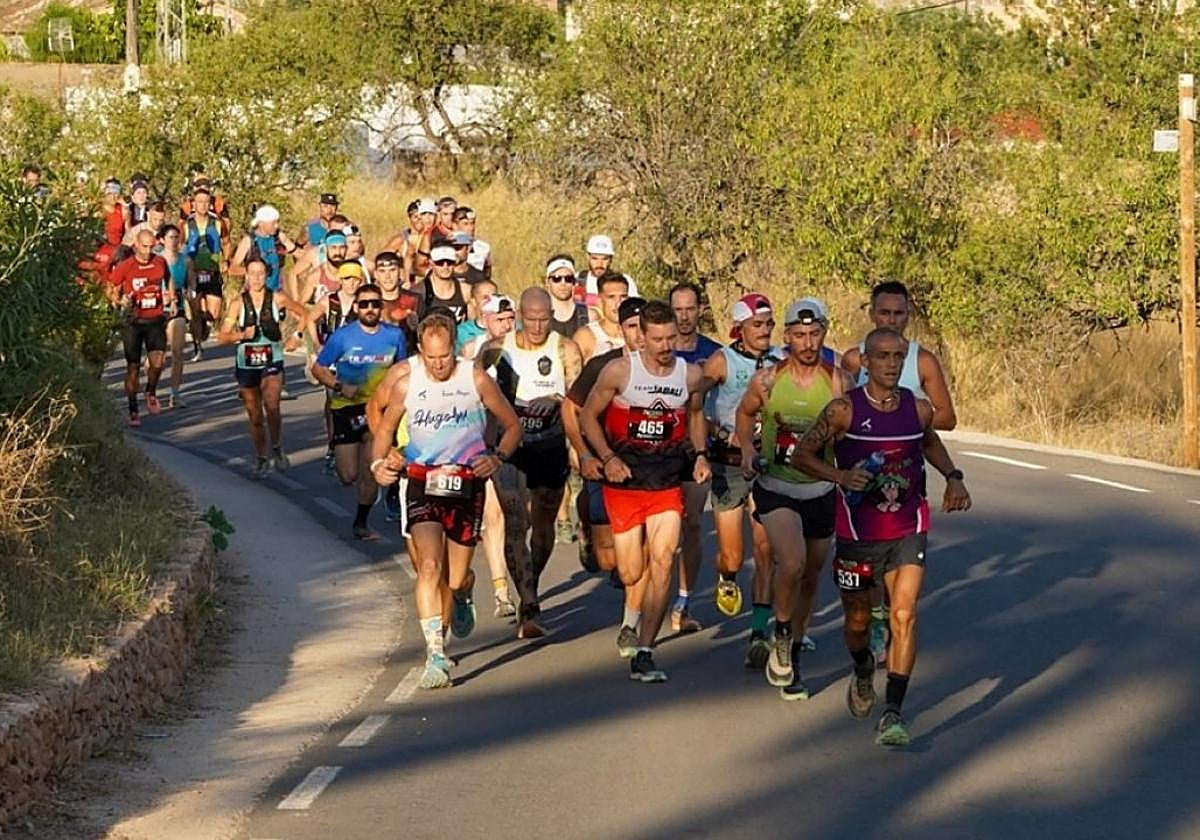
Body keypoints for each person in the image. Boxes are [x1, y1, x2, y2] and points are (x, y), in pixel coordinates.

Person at [791, 326, 972, 746]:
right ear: (866, 362)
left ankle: (893, 712)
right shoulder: (842, 411)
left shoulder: (919, 409)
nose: (891, 364)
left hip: (909, 525)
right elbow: (802, 454)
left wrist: (954, 477)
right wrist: (838, 475)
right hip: (858, 532)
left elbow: (928, 442)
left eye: (899, 357)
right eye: (883, 357)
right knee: (857, 622)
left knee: (904, 615)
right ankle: (860, 668)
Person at [370, 312, 523, 689]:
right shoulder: (408, 383)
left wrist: (497, 456)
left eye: (445, 358)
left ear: (454, 349)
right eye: (432, 358)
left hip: (465, 484)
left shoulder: (475, 378)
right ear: (421, 350)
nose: (439, 366)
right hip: (423, 481)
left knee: (453, 579)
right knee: (429, 566)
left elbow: (512, 425)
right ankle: (435, 654)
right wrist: (380, 463)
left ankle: (466, 588)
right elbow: (384, 428)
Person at [579, 300, 711, 683]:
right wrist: (606, 457)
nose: (666, 345)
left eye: (671, 337)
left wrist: (700, 455)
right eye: (657, 339)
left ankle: (646, 650)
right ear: (642, 339)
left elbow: (697, 415)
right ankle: (631, 612)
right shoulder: (620, 371)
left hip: (666, 482)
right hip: (624, 483)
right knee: (631, 570)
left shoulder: (690, 375)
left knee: (665, 559)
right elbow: (588, 416)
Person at [737, 298, 849, 700]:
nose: (807, 342)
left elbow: (850, 429)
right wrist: (748, 453)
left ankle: (793, 655)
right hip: (777, 487)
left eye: (814, 333)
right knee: (793, 561)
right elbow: (745, 414)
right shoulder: (767, 381)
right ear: (786, 337)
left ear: (824, 332)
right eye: (799, 335)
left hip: (819, 490)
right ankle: (781, 633)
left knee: (811, 575)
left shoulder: (838, 382)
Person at [840, 280, 958, 663]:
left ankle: (889, 625)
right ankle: (874, 620)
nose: (892, 318)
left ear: (909, 316)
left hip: (905, 477)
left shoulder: (921, 360)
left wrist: (906, 414)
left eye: (899, 313)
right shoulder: (853, 360)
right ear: (872, 314)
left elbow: (948, 418)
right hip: (858, 481)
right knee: (866, 572)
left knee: (899, 585)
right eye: (885, 312)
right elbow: (836, 413)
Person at [478, 288, 582, 639]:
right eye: (531, 318)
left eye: (544, 318)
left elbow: (578, 398)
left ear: (552, 314)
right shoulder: (496, 349)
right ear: (520, 314)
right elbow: (476, 391)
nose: (538, 326)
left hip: (549, 445)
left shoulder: (565, 349)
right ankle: (530, 603)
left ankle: (531, 582)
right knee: (515, 521)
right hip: (511, 447)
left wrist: (554, 399)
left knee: (543, 527)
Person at [562, 297, 648, 645]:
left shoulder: (666, 366)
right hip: (602, 459)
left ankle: (635, 612)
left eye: (645, 328)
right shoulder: (603, 366)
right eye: (632, 328)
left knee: (646, 548)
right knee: (607, 558)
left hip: (648, 468)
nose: (640, 336)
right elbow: (571, 409)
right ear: (621, 330)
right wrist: (583, 452)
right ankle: (588, 526)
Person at [702, 293, 782, 667]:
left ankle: (758, 631)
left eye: (768, 323)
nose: (765, 330)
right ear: (740, 328)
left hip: (768, 463)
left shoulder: (780, 361)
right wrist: (714, 435)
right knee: (733, 553)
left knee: (766, 550)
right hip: (729, 463)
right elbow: (696, 406)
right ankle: (727, 576)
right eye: (757, 324)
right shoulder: (722, 361)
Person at [312, 283, 408, 539]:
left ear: (381, 307)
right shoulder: (343, 336)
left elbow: (403, 370)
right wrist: (340, 386)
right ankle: (339, 453)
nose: (370, 308)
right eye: (364, 304)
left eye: (375, 303)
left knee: (369, 469)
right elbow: (318, 369)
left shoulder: (394, 336)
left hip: (377, 409)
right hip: (346, 407)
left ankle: (361, 523)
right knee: (347, 475)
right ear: (356, 307)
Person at [218, 259, 309, 479]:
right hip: (247, 363)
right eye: (253, 274)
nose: (257, 278)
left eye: (261, 274)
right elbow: (222, 336)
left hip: (272, 360)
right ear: (246, 276)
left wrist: (296, 336)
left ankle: (276, 446)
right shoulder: (238, 303)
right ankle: (261, 457)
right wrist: (241, 335)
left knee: (272, 404)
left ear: (266, 276)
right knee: (255, 415)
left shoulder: (277, 298)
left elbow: (305, 314)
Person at [668, 282, 723, 633]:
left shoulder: (715, 354)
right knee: (659, 529)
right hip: (661, 449)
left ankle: (683, 601)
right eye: (678, 309)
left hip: (698, 449)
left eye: (691, 309)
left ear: (700, 310)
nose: (685, 316)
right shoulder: (660, 349)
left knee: (691, 525)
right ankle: (648, 590)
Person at [109, 230, 173, 426]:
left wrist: (171, 296)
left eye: (151, 246)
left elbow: (169, 279)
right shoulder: (126, 266)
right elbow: (111, 287)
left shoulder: (160, 262)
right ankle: (133, 409)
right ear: (136, 244)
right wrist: (119, 300)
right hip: (133, 322)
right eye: (144, 246)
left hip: (155, 319)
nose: (148, 251)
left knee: (158, 362)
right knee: (133, 367)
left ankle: (151, 391)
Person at [183, 188, 226, 358]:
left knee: (213, 314)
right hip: (193, 272)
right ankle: (197, 346)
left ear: (210, 204)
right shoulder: (186, 225)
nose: (203, 205)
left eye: (206, 202)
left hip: (212, 270)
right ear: (194, 204)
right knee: (195, 311)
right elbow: (180, 247)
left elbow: (227, 242)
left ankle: (204, 323)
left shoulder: (217, 223)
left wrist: (225, 260)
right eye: (199, 201)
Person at [229, 205, 299, 293]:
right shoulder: (248, 241)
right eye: (273, 223)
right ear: (261, 223)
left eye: (277, 222)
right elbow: (232, 270)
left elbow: (297, 252)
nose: (276, 226)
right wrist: (256, 271)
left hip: (276, 291)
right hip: (254, 294)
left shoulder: (279, 237)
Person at [158, 223, 190, 408]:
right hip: (157, 308)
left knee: (177, 352)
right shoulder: (156, 260)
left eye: (177, 237)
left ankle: (175, 394)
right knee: (158, 356)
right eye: (171, 237)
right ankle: (151, 385)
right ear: (162, 240)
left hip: (177, 307)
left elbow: (191, 282)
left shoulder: (185, 261)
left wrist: (190, 291)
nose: (175, 240)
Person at [573, 271, 629, 360]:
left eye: (623, 297)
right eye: (611, 297)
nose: (618, 303)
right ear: (599, 301)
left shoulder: (639, 335)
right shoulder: (586, 336)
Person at [410, 242, 471, 323]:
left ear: (455, 262)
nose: (445, 267)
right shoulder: (418, 293)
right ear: (431, 263)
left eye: (449, 262)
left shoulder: (466, 291)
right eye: (440, 263)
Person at [578, 235, 639, 312]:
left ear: (611, 259)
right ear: (587, 257)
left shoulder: (624, 281)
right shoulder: (576, 280)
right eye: (595, 258)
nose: (599, 264)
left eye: (604, 259)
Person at [545, 254, 589, 338]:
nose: (563, 283)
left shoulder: (589, 315)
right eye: (556, 278)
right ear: (547, 282)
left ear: (574, 282)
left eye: (568, 278)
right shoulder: (537, 316)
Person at [455, 279, 500, 353]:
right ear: (474, 302)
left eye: (494, 297)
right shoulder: (461, 332)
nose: (491, 301)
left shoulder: (507, 327)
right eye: (485, 298)